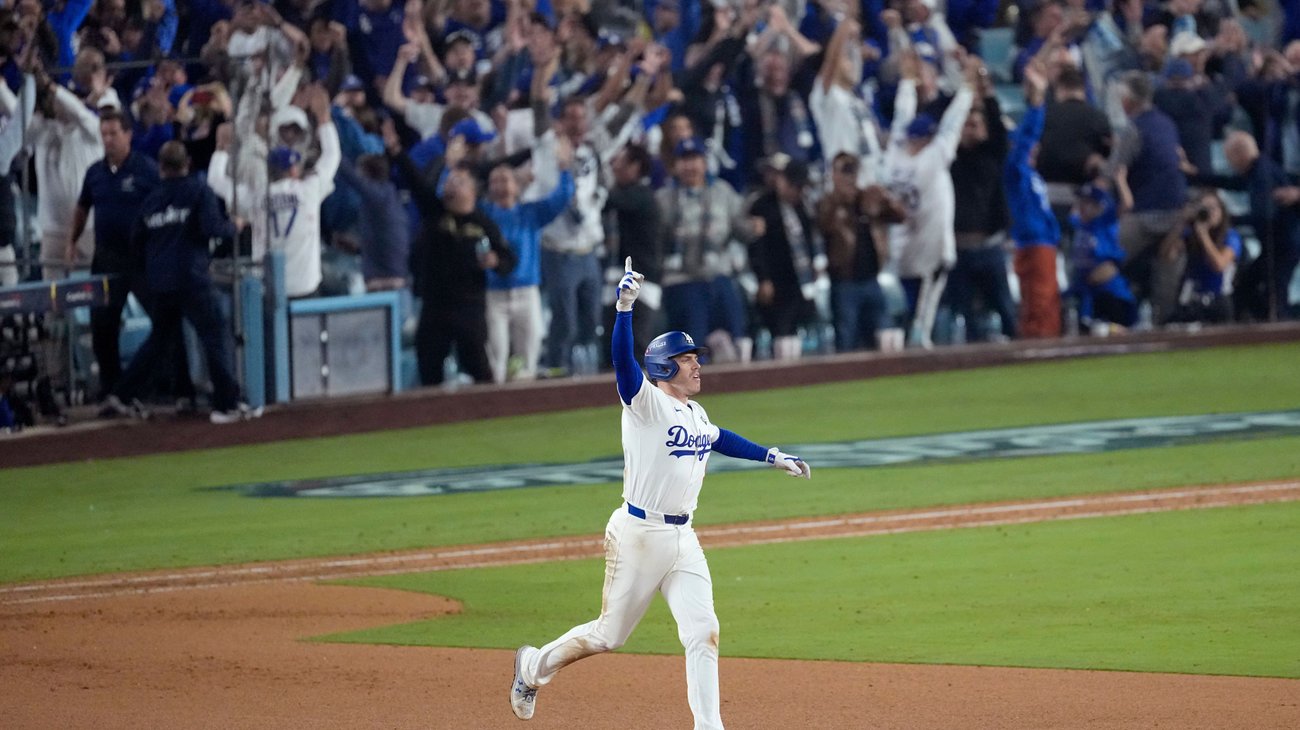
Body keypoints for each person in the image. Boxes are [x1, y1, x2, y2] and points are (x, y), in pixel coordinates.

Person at [509, 257, 811, 728]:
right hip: (639, 535)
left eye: (695, 359)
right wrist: (624, 309)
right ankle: (532, 667)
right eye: (688, 360)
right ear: (664, 366)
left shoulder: (695, 413)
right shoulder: (645, 404)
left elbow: (720, 438)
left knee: (703, 631)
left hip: (682, 539)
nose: (696, 367)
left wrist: (772, 456)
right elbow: (622, 366)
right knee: (609, 635)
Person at [101, 142, 258, 425]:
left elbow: (136, 240)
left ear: (161, 167)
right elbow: (212, 228)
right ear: (187, 164)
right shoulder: (198, 191)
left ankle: (122, 394)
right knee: (215, 335)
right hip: (192, 278)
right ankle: (227, 404)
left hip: (161, 282)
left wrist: (152, 267)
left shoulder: (151, 199)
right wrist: (233, 225)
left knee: (159, 340)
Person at [881, 50, 976, 348]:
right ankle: (918, 344)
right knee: (920, 322)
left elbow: (901, 116)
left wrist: (908, 83)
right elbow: (953, 123)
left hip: (900, 251)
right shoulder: (933, 157)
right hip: (930, 250)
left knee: (905, 313)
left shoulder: (894, 153)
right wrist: (968, 87)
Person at [480, 141, 576, 383]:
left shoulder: (529, 213)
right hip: (494, 294)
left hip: (527, 292)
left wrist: (564, 169)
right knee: (497, 357)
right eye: (495, 181)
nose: (501, 186)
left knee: (529, 357)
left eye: (506, 180)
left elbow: (561, 197)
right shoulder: (484, 215)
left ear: (517, 185)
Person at [816, 152, 903, 352]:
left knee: (883, 336)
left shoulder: (868, 198)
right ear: (833, 174)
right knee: (847, 339)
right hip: (844, 282)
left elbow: (900, 216)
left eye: (852, 170)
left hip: (872, 279)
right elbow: (822, 224)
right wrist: (838, 197)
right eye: (843, 171)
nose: (849, 176)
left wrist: (885, 198)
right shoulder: (828, 202)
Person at [1004, 59, 1062, 339]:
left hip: (1043, 242)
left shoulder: (1030, 174)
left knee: (1046, 303)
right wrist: (1037, 103)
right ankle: (1038, 351)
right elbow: (1027, 137)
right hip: (1032, 243)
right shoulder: (1015, 170)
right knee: (1039, 305)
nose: (1034, 147)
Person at [748, 155, 825, 360]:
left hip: (801, 280)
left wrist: (817, 264)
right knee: (781, 331)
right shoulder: (762, 206)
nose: (797, 192)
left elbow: (812, 239)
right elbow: (757, 247)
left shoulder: (804, 206)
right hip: (777, 280)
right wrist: (763, 278)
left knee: (806, 327)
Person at [1161, 189, 1242, 324]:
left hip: (1218, 299)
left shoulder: (1230, 236)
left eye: (1213, 208)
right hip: (1192, 297)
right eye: (1205, 208)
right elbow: (1167, 256)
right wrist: (1181, 224)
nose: (1209, 213)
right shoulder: (1190, 235)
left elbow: (1219, 265)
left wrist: (1204, 235)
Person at [1066, 183, 1138, 332]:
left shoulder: (1104, 222)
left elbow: (1127, 204)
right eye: (1082, 202)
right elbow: (1073, 214)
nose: (1082, 206)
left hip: (1111, 294)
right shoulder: (1079, 225)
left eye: (1088, 203)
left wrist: (1120, 180)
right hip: (1088, 293)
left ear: (1098, 206)